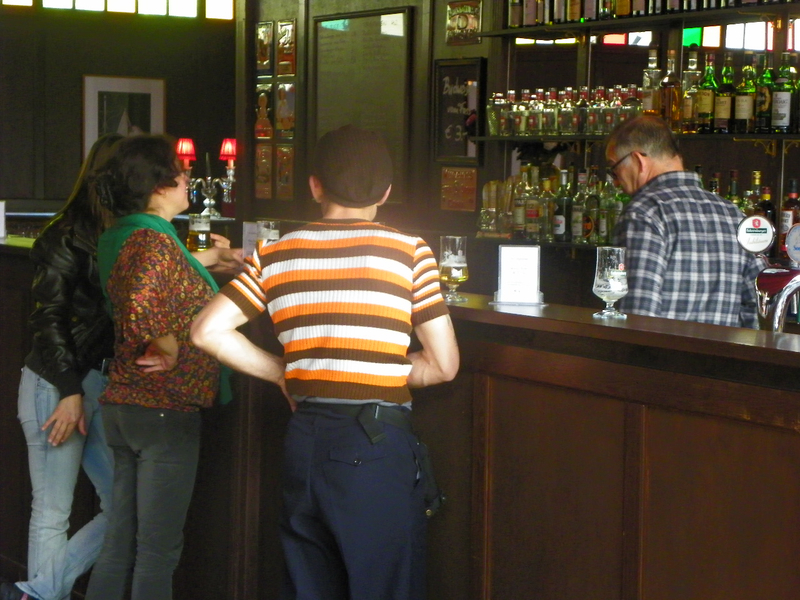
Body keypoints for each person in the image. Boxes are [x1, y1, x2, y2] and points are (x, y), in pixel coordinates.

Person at [191, 124, 460, 600]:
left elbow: (205, 331)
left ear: (314, 186)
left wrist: (283, 373)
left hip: (305, 439)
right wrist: (379, 369)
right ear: (387, 192)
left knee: (309, 587)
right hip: (375, 444)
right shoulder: (410, 253)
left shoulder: (274, 254)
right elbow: (444, 365)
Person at [82, 134, 242, 600]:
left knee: (120, 544)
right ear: (158, 185)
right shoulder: (151, 240)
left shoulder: (127, 233)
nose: (188, 177)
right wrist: (165, 341)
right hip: (163, 407)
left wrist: (213, 258)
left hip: (128, 404)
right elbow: (144, 296)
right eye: (180, 171)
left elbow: (153, 273)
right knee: (157, 552)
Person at [0, 134, 123, 600]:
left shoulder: (125, 236)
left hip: (97, 381)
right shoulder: (66, 234)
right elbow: (46, 319)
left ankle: (37, 593)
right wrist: (70, 391)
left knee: (124, 505)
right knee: (52, 510)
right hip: (56, 382)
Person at [606, 115, 762, 328]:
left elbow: (638, 316)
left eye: (614, 170)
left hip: (662, 350)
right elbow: (757, 307)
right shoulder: (734, 214)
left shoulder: (643, 212)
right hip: (722, 349)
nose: (616, 182)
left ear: (639, 161)